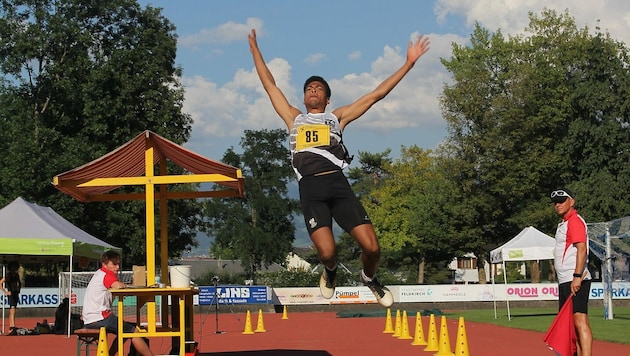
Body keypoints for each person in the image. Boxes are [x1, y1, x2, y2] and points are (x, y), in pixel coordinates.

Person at [248, 28, 430, 307]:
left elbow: (376, 95)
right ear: (304, 96)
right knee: (328, 252)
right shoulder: (293, 118)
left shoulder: (337, 118)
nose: (313, 90)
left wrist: (408, 63)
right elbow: (270, 85)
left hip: (337, 184)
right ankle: (330, 272)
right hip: (311, 189)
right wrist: (255, 50)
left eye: (318, 88)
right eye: (309, 88)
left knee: (372, 247)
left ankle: (369, 278)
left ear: (327, 98)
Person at [83, 251, 153, 356]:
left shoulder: (99, 273)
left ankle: (112, 354)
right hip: (100, 317)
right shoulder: (107, 275)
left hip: (91, 318)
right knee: (133, 331)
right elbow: (118, 286)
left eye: (118, 264)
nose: (117, 267)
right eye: (114, 264)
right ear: (104, 264)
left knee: (127, 328)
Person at [551, 187, 593, 356]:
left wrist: (577, 276)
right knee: (570, 324)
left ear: (571, 202)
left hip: (575, 278)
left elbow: (581, 249)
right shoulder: (563, 224)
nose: (558, 204)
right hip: (565, 280)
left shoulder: (575, 221)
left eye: (562, 201)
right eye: (555, 202)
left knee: (579, 319)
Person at [0, 261, 22, 331]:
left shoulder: (16, 275)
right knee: (12, 310)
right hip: (11, 293)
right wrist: (5, 292)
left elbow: (19, 283)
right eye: (13, 267)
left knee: (14, 310)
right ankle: (11, 326)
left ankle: (12, 325)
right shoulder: (8, 275)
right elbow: (0, 282)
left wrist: (19, 289)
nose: (14, 268)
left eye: (15, 267)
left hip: (15, 293)